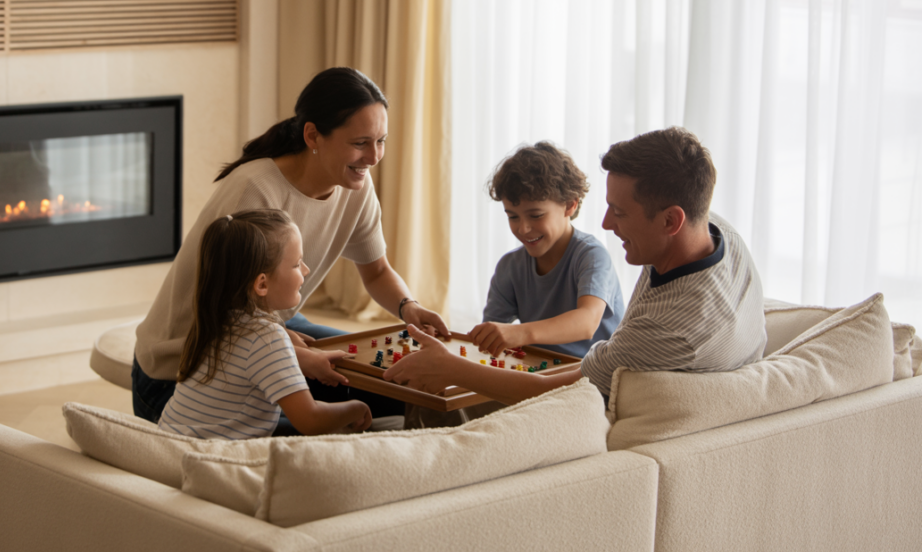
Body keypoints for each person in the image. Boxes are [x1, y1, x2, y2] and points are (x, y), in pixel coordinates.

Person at [133, 67, 450, 423]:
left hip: (268, 327)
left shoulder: (354, 187)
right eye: (360, 143)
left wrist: (409, 307)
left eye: (381, 141)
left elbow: (376, 272)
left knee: (400, 384)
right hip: (182, 368)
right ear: (313, 135)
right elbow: (229, 316)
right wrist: (293, 353)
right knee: (314, 434)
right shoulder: (255, 189)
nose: (374, 157)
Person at [385, 127, 766, 403]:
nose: (604, 224)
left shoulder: (667, 332)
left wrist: (452, 369)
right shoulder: (718, 232)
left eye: (618, 212)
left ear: (671, 221)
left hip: (588, 408)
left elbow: (561, 390)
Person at [158, 210, 372, 438]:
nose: (306, 271)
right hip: (211, 458)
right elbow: (311, 420)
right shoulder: (266, 337)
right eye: (297, 264)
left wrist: (292, 346)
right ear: (262, 284)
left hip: (171, 443)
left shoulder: (215, 319)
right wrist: (357, 407)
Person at [469, 142, 624, 360]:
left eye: (536, 215)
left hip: (594, 378)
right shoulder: (510, 267)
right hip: (542, 373)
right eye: (512, 216)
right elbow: (491, 335)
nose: (522, 228)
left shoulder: (592, 257)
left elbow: (587, 322)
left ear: (570, 205)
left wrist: (519, 333)